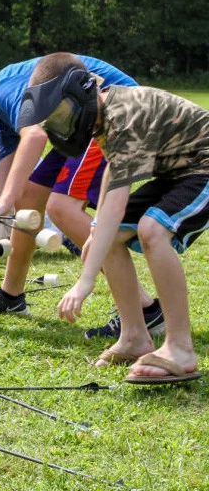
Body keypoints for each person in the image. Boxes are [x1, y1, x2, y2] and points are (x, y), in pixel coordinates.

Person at [0, 55, 163, 335]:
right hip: (84, 124)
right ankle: (10, 296)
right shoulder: (4, 111)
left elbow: (35, 137)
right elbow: (0, 190)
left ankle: (146, 312)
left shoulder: (4, 90)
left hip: (117, 117)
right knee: (28, 197)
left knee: (62, 207)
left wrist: (3, 201)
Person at [26, 53, 209, 383]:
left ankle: (180, 347)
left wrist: (86, 279)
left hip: (204, 167)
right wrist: (95, 234)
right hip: (176, 173)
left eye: (61, 114)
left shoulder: (123, 114)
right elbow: (113, 173)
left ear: (80, 93)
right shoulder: (103, 113)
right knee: (105, 235)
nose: (61, 125)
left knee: (152, 229)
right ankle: (135, 336)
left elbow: (114, 202)